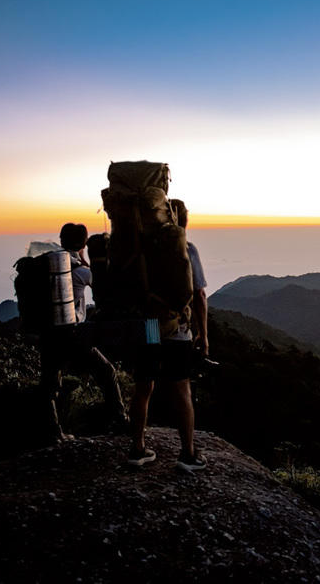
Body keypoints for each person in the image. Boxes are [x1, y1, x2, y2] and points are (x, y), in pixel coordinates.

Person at [127, 200, 209, 472]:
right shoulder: (185, 248)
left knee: (142, 389)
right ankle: (187, 454)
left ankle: (137, 449)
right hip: (176, 328)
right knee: (182, 389)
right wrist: (203, 335)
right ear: (181, 221)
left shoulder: (139, 246)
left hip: (146, 325)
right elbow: (198, 295)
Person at [40, 223, 128, 442]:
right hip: (72, 334)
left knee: (50, 382)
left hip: (48, 332)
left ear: (61, 240)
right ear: (83, 243)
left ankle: (51, 432)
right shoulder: (81, 271)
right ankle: (120, 420)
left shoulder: (52, 265)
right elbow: (103, 290)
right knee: (106, 371)